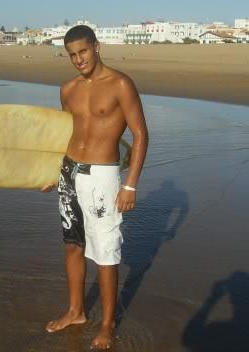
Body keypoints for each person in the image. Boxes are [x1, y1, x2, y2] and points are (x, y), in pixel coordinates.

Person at [41, 25, 148, 350]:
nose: (79, 59)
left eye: (83, 51)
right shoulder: (68, 89)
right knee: (73, 245)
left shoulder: (120, 84)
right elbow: (64, 135)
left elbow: (140, 135)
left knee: (105, 253)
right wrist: (49, 173)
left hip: (102, 177)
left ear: (97, 47)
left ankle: (106, 325)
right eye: (72, 55)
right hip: (69, 172)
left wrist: (130, 186)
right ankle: (76, 311)